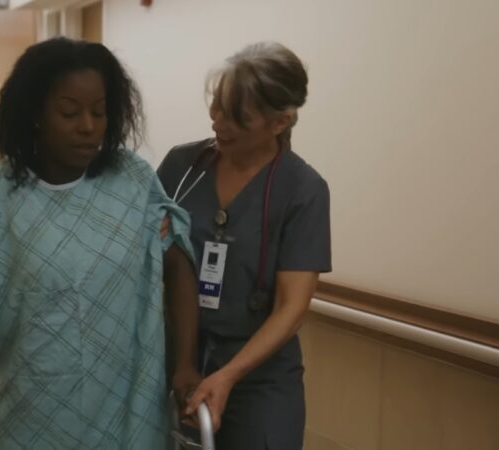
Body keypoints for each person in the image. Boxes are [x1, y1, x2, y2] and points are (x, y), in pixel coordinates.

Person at [0, 37, 202, 449]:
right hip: (27, 417)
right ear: (37, 114)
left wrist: (185, 363)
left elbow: (179, 263)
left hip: (127, 418)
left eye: (99, 112)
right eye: (69, 112)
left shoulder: (132, 181)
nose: (88, 126)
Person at [157, 42, 331, 450]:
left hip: (258, 375)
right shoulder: (183, 169)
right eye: (216, 107)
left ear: (279, 122)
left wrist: (229, 375)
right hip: (174, 356)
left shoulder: (303, 190)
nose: (218, 123)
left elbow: (292, 308)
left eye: (238, 118)